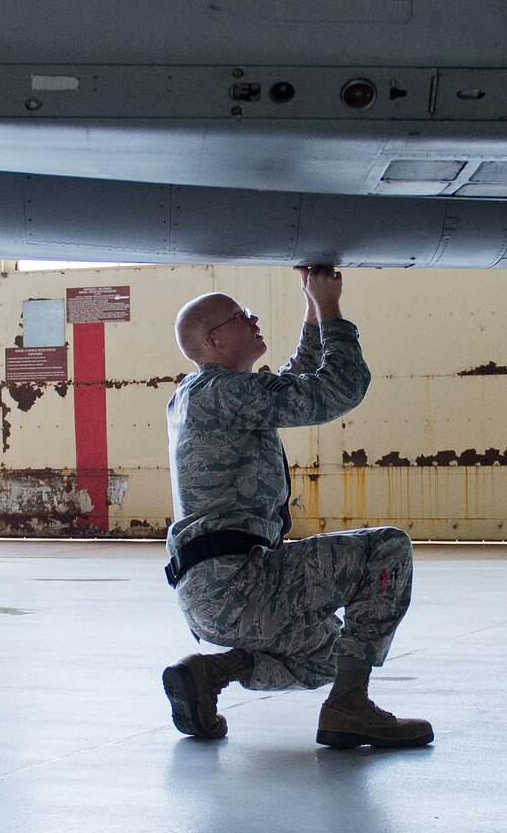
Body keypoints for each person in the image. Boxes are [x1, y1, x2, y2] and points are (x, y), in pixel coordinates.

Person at [160, 265, 432, 748]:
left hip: (211, 595)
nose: (253, 318)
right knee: (387, 549)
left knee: (329, 654)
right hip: (241, 583)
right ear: (215, 339)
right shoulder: (224, 394)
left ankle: (213, 671)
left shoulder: (199, 394)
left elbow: (291, 382)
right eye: (241, 316)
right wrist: (331, 309)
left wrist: (311, 304)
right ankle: (350, 707)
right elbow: (337, 389)